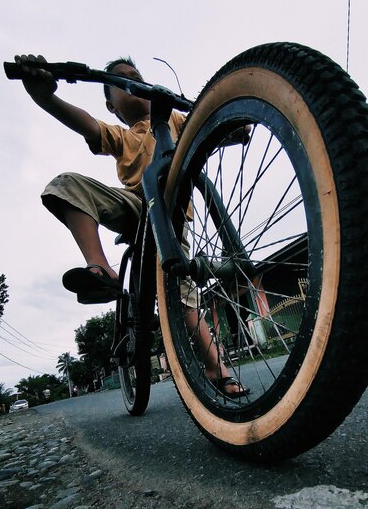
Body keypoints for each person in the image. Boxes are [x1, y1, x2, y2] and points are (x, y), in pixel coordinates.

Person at [15, 54, 249, 398]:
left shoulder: (175, 121)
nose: (132, 82)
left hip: (172, 220)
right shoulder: (119, 135)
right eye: (121, 82)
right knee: (66, 184)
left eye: (136, 76)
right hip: (136, 206)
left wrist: (236, 126)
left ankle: (217, 369)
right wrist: (45, 97)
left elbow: (211, 124)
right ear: (112, 106)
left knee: (184, 300)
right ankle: (101, 268)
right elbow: (85, 123)